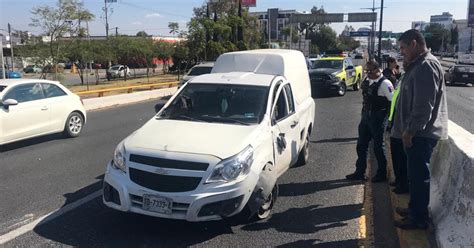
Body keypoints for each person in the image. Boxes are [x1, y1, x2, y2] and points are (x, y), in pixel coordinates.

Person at [392, 29, 448, 230]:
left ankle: (419, 218)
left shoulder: (426, 66)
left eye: (404, 47)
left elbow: (424, 106)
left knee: (418, 176)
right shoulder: (417, 65)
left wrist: (410, 131)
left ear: (414, 44)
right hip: (416, 133)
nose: (402, 52)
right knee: (414, 175)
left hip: (420, 134)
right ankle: (415, 208)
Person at [346, 60, 394, 182]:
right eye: (366, 71)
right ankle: (360, 172)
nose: (368, 74)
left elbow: (393, 102)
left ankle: (382, 173)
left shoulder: (385, 83)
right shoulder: (367, 81)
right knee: (361, 145)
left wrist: (390, 120)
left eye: (370, 71)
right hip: (366, 117)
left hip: (378, 118)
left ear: (378, 70)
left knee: (378, 147)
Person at [387, 74, 409, 195]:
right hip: (395, 122)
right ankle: (399, 180)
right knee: (396, 156)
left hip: (403, 126)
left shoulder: (410, 78)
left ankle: (403, 184)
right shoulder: (403, 79)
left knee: (402, 159)